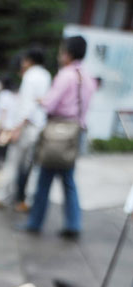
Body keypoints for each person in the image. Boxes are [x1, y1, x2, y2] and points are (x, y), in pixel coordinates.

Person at [23, 35, 97, 239]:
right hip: (75, 133)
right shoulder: (88, 77)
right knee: (69, 181)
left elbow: (50, 104)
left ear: (68, 53)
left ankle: (34, 222)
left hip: (57, 133)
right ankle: (74, 224)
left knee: (44, 180)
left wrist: (41, 100)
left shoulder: (65, 75)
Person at [0, 48, 51, 212]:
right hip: (39, 126)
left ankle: (2, 196)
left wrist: (16, 128)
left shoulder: (30, 76)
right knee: (31, 167)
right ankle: (26, 200)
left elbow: (26, 106)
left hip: (26, 127)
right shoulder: (46, 75)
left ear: (29, 60)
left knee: (12, 163)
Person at [0, 77, 18, 179]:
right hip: (12, 128)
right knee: (6, 153)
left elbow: (3, 113)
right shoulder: (13, 95)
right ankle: (3, 175)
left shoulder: (4, 95)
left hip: (4, 128)